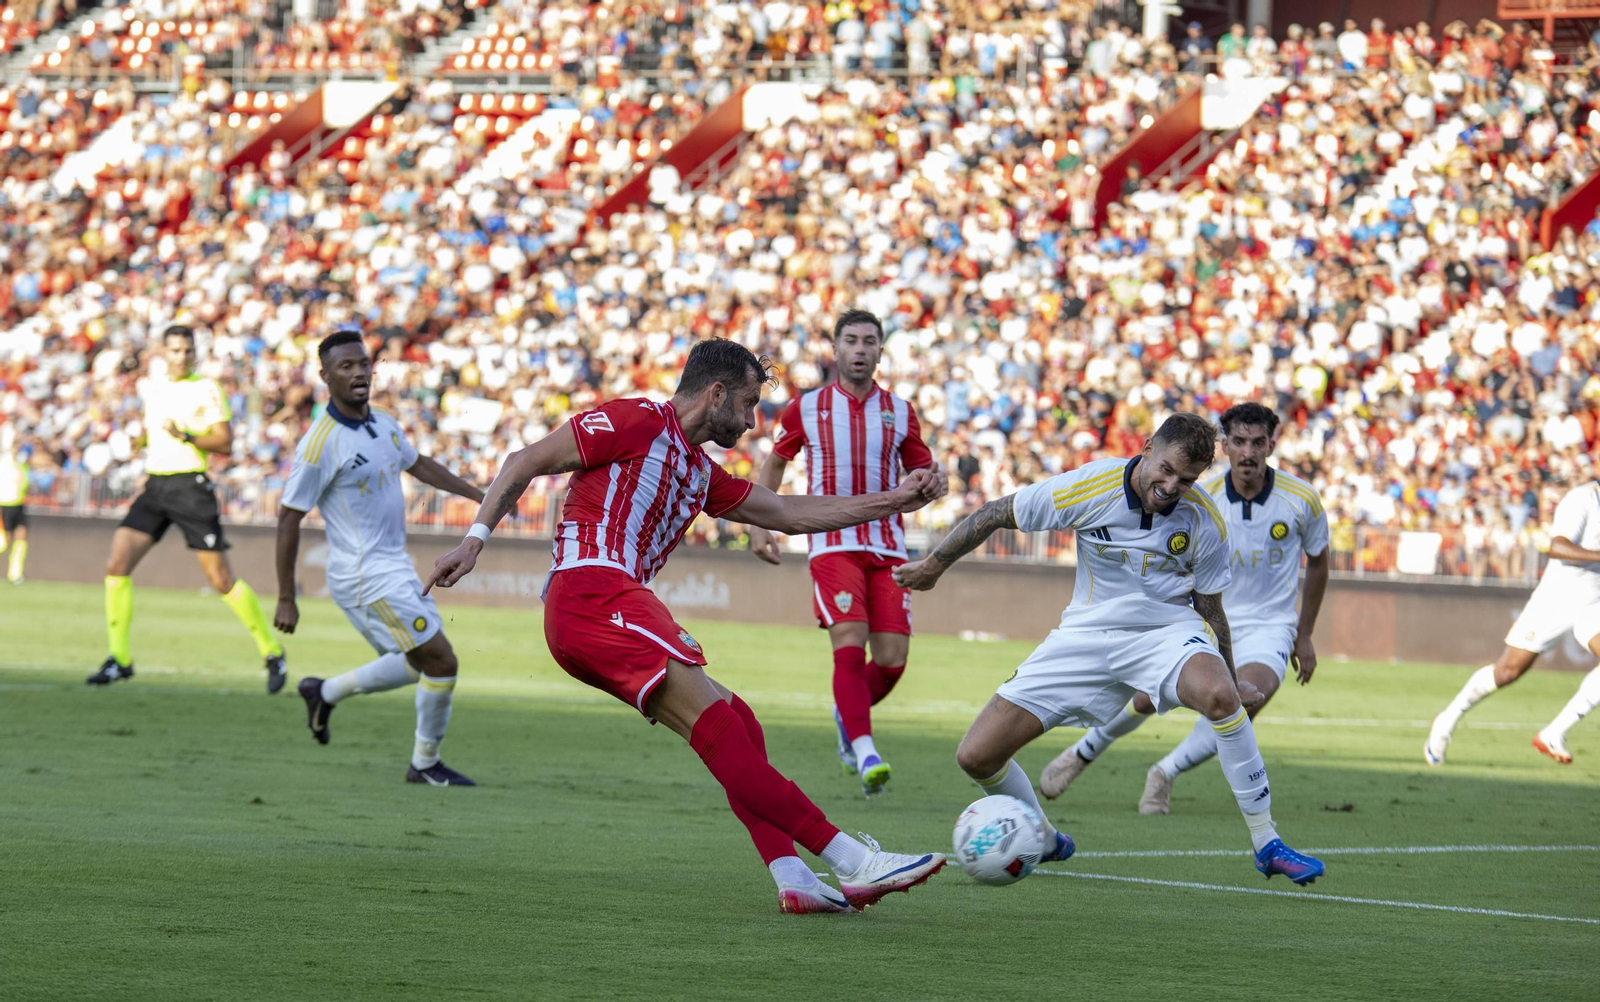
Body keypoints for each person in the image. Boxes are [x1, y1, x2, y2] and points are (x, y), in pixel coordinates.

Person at [425, 338, 949, 914]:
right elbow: (525, 462)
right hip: (594, 591)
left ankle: (793, 876)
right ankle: (854, 860)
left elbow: (787, 514)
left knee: (739, 722)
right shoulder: (638, 419)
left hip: (607, 604)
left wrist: (893, 501)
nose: (751, 422)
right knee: (719, 728)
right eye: (747, 404)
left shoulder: (699, 471)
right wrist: (474, 540)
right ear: (716, 392)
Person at [894, 414, 1327, 885]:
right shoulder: (1090, 485)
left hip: (1165, 632)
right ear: (1145, 448)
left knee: (1222, 697)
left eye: (1186, 479)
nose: (1171, 486)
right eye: (1165, 469)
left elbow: (1210, 608)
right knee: (976, 757)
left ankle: (1268, 842)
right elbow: (996, 513)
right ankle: (1041, 835)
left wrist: (1230, 672)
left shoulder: (1203, 517)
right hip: (1085, 635)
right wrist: (935, 565)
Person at [1037, 404, 1331, 815]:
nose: (1248, 453)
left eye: (1258, 443)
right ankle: (1084, 751)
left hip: (1269, 625)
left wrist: (1304, 633)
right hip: (1201, 618)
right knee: (1143, 699)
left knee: (1244, 700)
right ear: (1224, 446)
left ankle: (1165, 771)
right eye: (1240, 442)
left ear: (1272, 445)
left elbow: (1319, 560)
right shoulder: (1196, 498)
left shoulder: (1301, 499)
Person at [274, 330, 487, 786]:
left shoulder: (383, 422)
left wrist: (478, 495)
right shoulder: (319, 444)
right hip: (365, 574)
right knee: (441, 661)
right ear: (325, 376)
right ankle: (424, 765)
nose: (358, 373)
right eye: (345, 367)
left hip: (394, 566)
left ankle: (323, 692)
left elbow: (417, 463)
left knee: (419, 662)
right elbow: (289, 518)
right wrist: (285, 597)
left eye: (362, 364)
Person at [748, 310, 938, 796]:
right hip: (832, 544)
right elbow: (776, 464)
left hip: (889, 547)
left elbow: (925, 475)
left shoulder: (901, 411)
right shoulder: (806, 408)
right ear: (835, 349)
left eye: (869, 341)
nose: (860, 349)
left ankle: (847, 714)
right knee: (849, 644)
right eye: (850, 340)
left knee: (893, 660)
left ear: (879, 350)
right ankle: (864, 748)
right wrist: (758, 526)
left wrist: (932, 483)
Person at [87, 324, 287, 690]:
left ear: (195, 353)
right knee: (116, 565)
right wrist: (142, 439)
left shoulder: (206, 388)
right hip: (156, 485)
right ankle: (120, 659)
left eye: (187, 350)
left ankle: (272, 652)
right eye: (175, 350)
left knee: (220, 580)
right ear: (163, 352)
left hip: (190, 487)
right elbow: (158, 433)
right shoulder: (156, 388)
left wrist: (188, 436)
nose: (182, 356)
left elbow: (224, 441)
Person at [1426, 480, 1600, 765]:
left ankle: (1554, 732)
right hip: (1558, 598)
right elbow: (1558, 547)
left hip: (1594, 603)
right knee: (1507, 672)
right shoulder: (1583, 498)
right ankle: (1448, 718)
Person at [0, 437, 30, 584]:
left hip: (19, 504)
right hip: (5, 504)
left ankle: (15, 573)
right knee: (5, 541)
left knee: (22, 536)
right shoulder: (4, 463)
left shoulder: (22, 464)